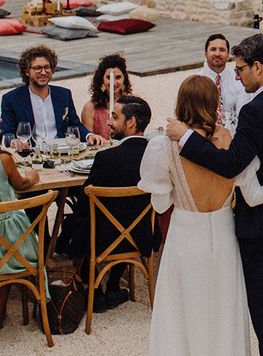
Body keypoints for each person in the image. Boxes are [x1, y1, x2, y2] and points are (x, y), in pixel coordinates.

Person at [166, 34, 263, 356]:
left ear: (258, 68)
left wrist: (186, 138)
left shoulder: (254, 111)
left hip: (260, 225)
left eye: (241, 69)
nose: (237, 76)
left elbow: (231, 165)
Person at [62, 95, 160, 312]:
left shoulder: (106, 159)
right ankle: (114, 286)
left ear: (131, 122)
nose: (108, 122)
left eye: (114, 117)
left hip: (102, 241)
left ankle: (94, 289)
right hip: (143, 235)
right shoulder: (157, 157)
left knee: (77, 220)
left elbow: (85, 206)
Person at [1, 45, 106, 145]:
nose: (43, 72)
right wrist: (14, 142)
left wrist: (89, 135)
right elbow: (7, 133)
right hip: (30, 154)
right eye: (37, 68)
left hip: (61, 153)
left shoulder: (64, 95)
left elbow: (75, 124)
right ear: (27, 72)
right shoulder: (11, 99)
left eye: (47, 67)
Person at [0, 147, 41, 327]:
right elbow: (22, 185)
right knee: (11, 244)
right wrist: (33, 175)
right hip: (9, 236)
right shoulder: (4, 159)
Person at [80, 53, 133, 139]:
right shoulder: (90, 108)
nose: (114, 83)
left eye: (118, 77)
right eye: (109, 78)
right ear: (102, 79)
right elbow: (88, 140)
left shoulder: (132, 103)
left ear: (124, 79)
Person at [199, 33, 250, 121]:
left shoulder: (239, 79)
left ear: (228, 55)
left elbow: (242, 113)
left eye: (222, 50)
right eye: (213, 49)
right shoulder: (196, 81)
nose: (217, 53)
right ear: (205, 53)